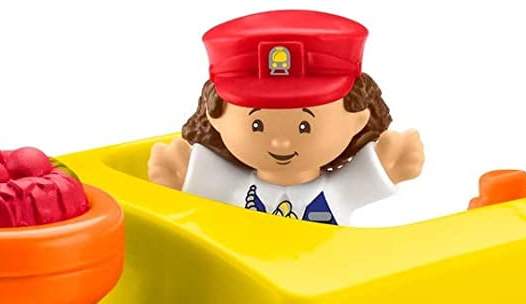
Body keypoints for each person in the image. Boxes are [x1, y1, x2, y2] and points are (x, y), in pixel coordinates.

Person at [148, 10, 424, 225]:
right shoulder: (235, 188)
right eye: (257, 125)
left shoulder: (339, 190)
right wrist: (181, 172)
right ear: (216, 117)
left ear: (357, 120)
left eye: (304, 126)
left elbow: (372, 175)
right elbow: (197, 179)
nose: (280, 144)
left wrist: (388, 163)